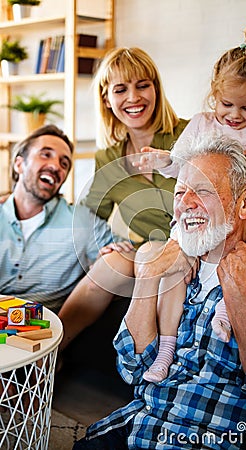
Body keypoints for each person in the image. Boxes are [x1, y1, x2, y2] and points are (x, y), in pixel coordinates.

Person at [73, 134, 246, 450]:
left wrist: (238, 295)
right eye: (180, 192)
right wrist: (149, 275)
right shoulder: (175, 261)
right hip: (144, 425)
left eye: (203, 191)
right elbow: (133, 369)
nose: (186, 203)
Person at [134, 21, 246, 382]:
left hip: (243, 215)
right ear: (213, 95)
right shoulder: (202, 123)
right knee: (174, 267)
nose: (235, 115)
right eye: (227, 104)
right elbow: (179, 162)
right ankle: (166, 350)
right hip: (198, 217)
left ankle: (229, 302)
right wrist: (162, 161)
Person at [58, 46, 189, 352]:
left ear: (156, 88)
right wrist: (24, 200)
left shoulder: (189, 134)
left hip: (193, 247)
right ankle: (48, 357)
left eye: (143, 85)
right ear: (106, 98)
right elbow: (86, 216)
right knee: (109, 262)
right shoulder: (109, 157)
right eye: (121, 89)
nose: (134, 98)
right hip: (146, 252)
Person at [0, 124, 125, 314]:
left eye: (64, 163)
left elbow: (127, 256)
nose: (56, 166)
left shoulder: (81, 222)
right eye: (45, 154)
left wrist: (109, 257)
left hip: (46, 333)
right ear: (19, 164)